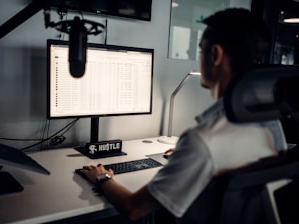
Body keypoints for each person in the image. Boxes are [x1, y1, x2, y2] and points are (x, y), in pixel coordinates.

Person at [79, 8, 288, 223]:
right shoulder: (272, 125)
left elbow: (134, 208)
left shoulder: (203, 141)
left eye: (200, 51)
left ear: (215, 55)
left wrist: (102, 177)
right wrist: (185, 155)